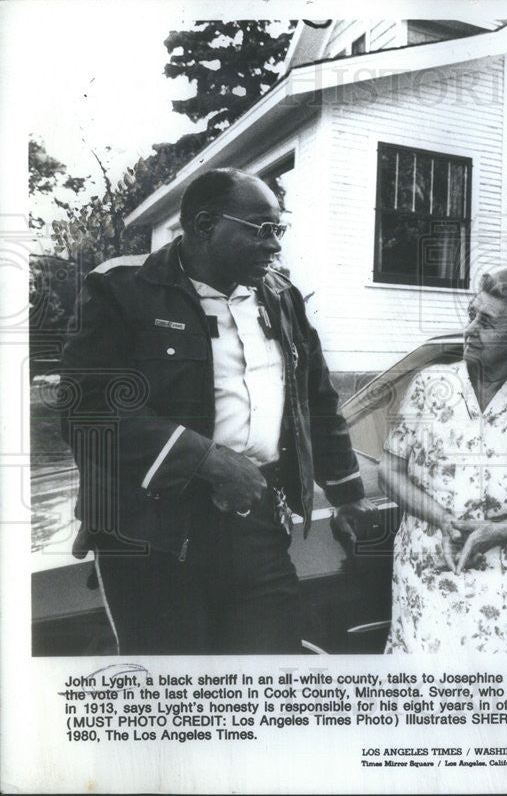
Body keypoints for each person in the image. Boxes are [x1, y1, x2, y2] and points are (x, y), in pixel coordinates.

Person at [60, 168, 374, 654]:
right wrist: (207, 460)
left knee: (266, 676)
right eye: (261, 230)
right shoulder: (122, 290)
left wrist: (348, 494)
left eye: (279, 231)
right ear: (205, 226)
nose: (275, 246)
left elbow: (315, 400)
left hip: (256, 525)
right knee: (178, 696)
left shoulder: (281, 297)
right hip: (151, 537)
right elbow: (89, 413)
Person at [379, 269, 507, 653]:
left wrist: (493, 533)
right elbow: (389, 471)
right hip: (430, 576)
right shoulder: (430, 386)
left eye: (485, 322)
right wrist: (442, 518)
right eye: (472, 314)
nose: (469, 329)